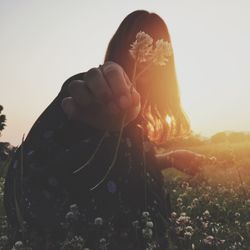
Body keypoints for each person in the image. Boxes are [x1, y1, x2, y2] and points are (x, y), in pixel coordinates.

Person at [4, 10, 210, 250]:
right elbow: (64, 152)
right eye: (144, 47)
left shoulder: (136, 128)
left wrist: (171, 158)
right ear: (126, 47)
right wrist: (91, 101)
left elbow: (127, 160)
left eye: (158, 51)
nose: (148, 60)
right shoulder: (97, 93)